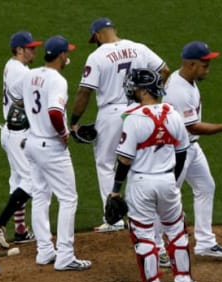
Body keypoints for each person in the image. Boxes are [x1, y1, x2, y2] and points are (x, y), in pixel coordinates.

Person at [70, 17, 170, 233]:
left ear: (97, 35)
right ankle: (144, 215)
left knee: (106, 164)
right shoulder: (139, 48)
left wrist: (74, 122)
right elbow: (165, 70)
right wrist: (150, 97)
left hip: (111, 114)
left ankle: (113, 219)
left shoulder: (97, 56)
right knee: (140, 162)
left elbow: (84, 91)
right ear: (113, 30)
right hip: (139, 109)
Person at [110, 68, 196, 282]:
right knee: (176, 230)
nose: (132, 91)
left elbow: (125, 159)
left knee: (144, 235)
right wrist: (173, 181)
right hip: (168, 182)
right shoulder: (174, 114)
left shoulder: (134, 119)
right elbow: (181, 154)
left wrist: (116, 189)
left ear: (144, 91)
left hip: (141, 184)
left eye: (136, 87)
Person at [159, 41, 222, 258]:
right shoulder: (180, 91)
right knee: (168, 198)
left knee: (206, 186)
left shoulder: (187, 80)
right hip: (176, 151)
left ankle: (205, 243)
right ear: (190, 64)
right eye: (204, 64)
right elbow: (194, 126)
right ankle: (157, 248)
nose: (208, 68)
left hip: (190, 146)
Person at [10, 35, 91, 271]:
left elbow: (19, 102)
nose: (69, 56)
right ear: (61, 56)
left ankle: (44, 251)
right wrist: (64, 133)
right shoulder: (57, 80)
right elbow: (55, 112)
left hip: (32, 143)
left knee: (41, 196)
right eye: (67, 53)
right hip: (51, 147)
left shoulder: (30, 75)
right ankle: (65, 255)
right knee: (68, 198)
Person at [0, 31, 40, 248]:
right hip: (18, 135)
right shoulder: (19, 73)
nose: (34, 50)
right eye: (31, 47)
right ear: (20, 50)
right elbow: (35, 91)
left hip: (11, 132)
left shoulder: (14, 66)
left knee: (17, 180)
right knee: (31, 182)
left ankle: (20, 231)